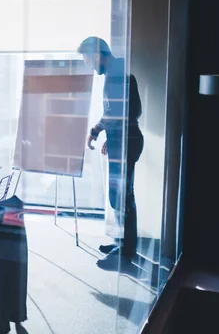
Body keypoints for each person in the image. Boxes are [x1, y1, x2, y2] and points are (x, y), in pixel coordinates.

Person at [78, 37, 144, 271]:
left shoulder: (116, 75)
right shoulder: (118, 73)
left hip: (127, 142)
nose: (88, 65)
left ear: (97, 55)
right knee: (124, 196)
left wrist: (96, 131)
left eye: (87, 59)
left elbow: (116, 112)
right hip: (126, 140)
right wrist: (112, 137)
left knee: (121, 197)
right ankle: (125, 246)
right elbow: (127, 112)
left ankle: (125, 253)